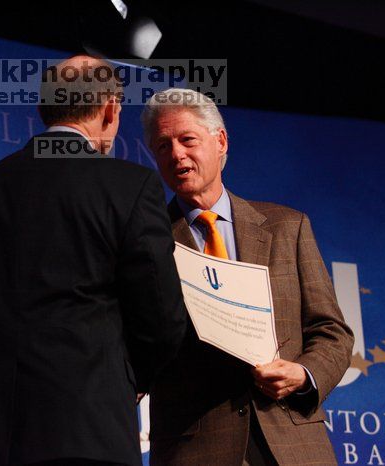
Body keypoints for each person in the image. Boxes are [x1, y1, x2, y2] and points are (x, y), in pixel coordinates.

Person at [0, 56, 188, 466]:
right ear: (110, 109)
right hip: (91, 437)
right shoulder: (129, 188)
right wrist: (122, 382)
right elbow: (161, 316)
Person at [140, 88, 354, 465]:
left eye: (187, 139)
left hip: (292, 444)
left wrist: (304, 374)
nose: (176, 154)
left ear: (220, 141)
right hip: (193, 448)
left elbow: (332, 332)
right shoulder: (144, 242)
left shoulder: (288, 227)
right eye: (162, 146)